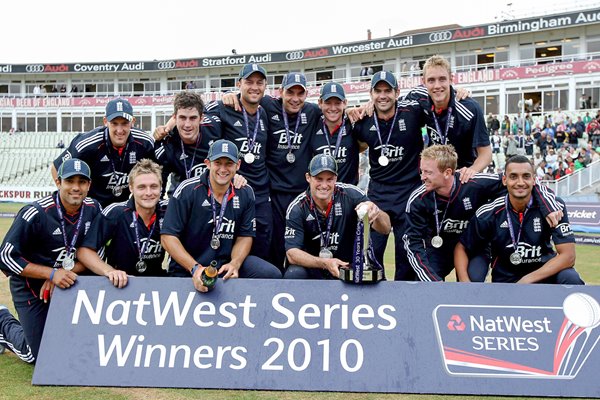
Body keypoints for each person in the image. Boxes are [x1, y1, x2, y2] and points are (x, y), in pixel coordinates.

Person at [404, 145, 562, 282]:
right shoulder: (418, 199)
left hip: (474, 246)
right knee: (426, 283)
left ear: (447, 172)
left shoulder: (474, 183)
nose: (422, 177)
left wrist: (548, 205)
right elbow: (413, 244)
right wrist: (432, 282)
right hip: (438, 250)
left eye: (428, 172)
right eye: (422, 171)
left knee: (473, 281)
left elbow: (524, 181)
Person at [0, 159, 101, 361]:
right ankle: (2, 322)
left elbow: (96, 254)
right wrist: (51, 273)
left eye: (82, 182)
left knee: (78, 344)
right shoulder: (35, 212)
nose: (76, 187)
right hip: (31, 286)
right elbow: (5, 256)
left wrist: (63, 275)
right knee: (37, 355)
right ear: (58, 182)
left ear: (89, 186)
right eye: (70, 181)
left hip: (69, 281)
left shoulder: (94, 208)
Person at [161, 139, 281, 293]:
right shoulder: (187, 190)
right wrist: (195, 268)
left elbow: (245, 236)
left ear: (238, 165)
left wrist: (235, 263)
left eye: (229, 164)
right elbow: (168, 237)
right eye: (218, 162)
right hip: (189, 267)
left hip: (224, 265)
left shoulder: (246, 192)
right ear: (208, 163)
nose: (223, 169)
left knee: (271, 274)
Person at [455, 155, 583, 284]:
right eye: (513, 176)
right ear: (504, 180)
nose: (520, 182)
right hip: (506, 280)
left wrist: (527, 279)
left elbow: (568, 256)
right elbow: (462, 247)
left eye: (526, 176)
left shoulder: (554, 208)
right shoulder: (489, 212)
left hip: (543, 274)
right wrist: (465, 284)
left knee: (570, 278)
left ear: (534, 180)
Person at [353, 71, 426, 280]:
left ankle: (403, 303)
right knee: (372, 253)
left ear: (397, 93)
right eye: (378, 91)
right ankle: (378, 301)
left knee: (406, 256)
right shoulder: (363, 122)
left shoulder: (413, 112)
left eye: (388, 91)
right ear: (371, 93)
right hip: (379, 193)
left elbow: (436, 99)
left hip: (409, 192)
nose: (382, 96)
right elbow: (357, 147)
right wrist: (352, 110)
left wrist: (457, 92)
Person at [204, 64, 272, 261]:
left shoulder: (265, 111)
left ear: (265, 86)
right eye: (249, 82)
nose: (254, 87)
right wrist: (170, 123)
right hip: (233, 192)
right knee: (230, 250)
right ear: (239, 84)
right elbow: (194, 112)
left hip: (261, 194)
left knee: (263, 252)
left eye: (259, 83)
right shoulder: (224, 107)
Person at [284, 154, 390, 279]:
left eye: (329, 179)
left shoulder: (352, 195)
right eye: (319, 179)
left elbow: (386, 228)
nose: (324, 185)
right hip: (314, 268)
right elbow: (292, 254)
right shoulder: (297, 207)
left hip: (348, 266)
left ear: (336, 178)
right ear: (308, 178)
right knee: (294, 273)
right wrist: (325, 263)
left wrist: (375, 212)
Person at [77, 159, 168, 287]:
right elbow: (84, 251)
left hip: (156, 283)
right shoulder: (115, 212)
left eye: (154, 186)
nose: (148, 193)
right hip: (121, 286)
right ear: (131, 187)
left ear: (161, 186)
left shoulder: (169, 211)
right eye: (141, 187)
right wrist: (110, 271)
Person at [52, 98, 155, 207]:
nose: (119, 130)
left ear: (133, 122)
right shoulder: (86, 144)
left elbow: (157, 172)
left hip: (127, 208)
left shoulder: (145, 142)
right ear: (105, 121)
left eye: (124, 123)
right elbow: (56, 168)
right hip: (94, 208)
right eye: (114, 123)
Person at [406, 55, 491, 182]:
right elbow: (390, 104)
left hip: (460, 178)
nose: (437, 86)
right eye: (431, 80)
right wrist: (371, 104)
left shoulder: (470, 108)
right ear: (423, 82)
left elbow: (486, 154)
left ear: (451, 79)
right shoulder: (417, 96)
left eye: (442, 79)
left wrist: (471, 171)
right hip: (432, 177)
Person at [153, 92, 222, 196]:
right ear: (174, 118)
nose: (187, 124)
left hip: (212, 197)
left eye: (193, 118)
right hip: (182, 199)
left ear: (201, 118)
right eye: (182, 118)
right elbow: (158, 187)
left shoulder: (215, 127)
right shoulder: (167, 144)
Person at [311, 82, 363, 185]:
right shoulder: (313, 124)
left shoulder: (353, 124)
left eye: (337, 103)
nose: (333, 108)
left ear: (345, 103)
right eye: (328, 103)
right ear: (320, 103)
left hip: (348, 195)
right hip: (321, 193)